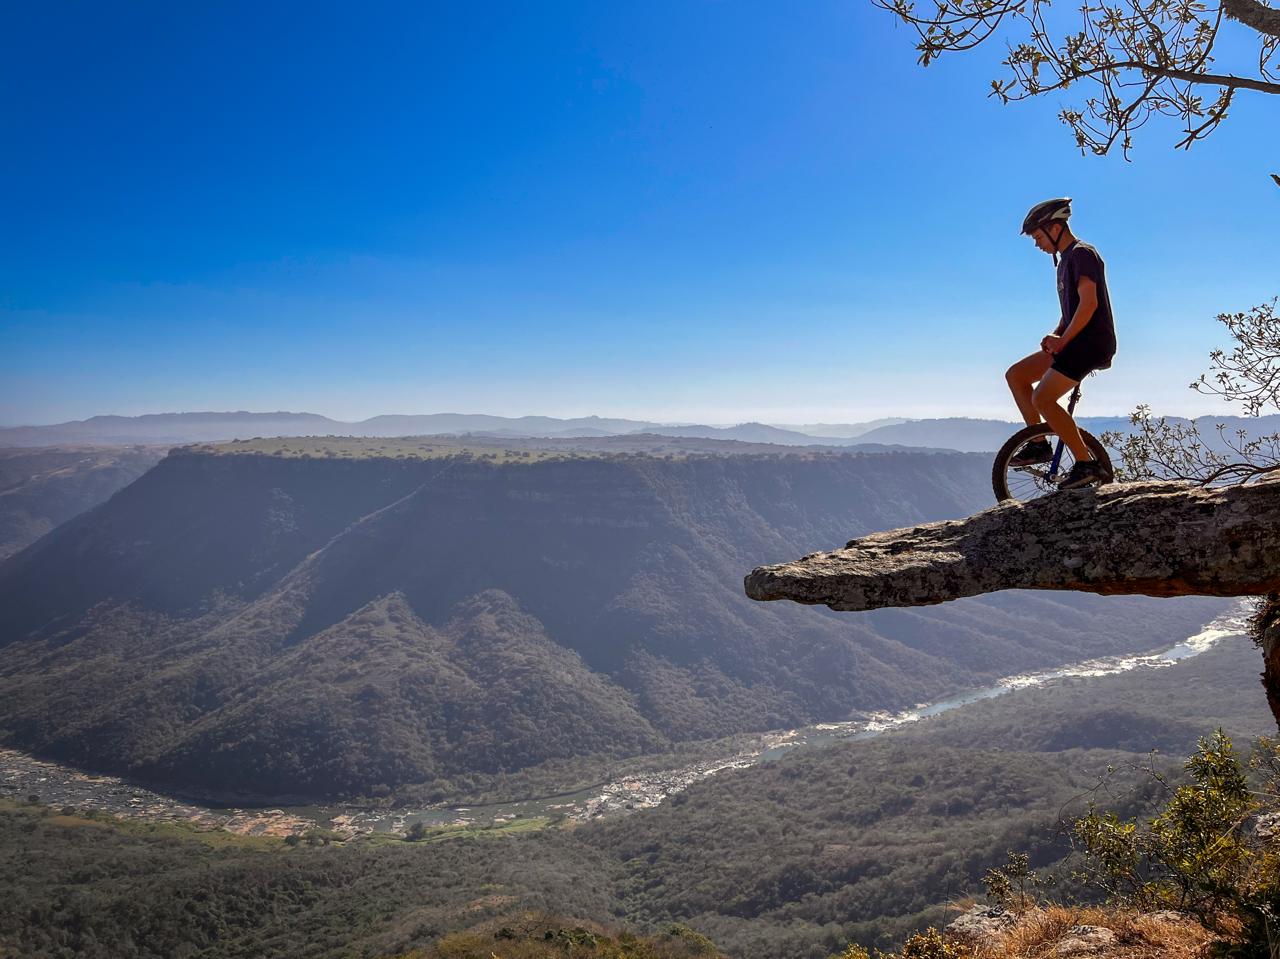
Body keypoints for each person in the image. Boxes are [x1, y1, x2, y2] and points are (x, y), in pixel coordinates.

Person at [1004, 197, 1117, 489]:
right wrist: (1056, 336)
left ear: (1055, 228)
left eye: (1038, 237)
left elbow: (1089, 304)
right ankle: (1039, 443)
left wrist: (1064, 339)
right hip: (1074, 341)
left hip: (1090, 343)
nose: (1037, 244)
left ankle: (1086, 464)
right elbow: (1071, 312)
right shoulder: (1065, 261)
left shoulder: (1082, 254)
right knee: (1016, 375)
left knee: (1042, 398)